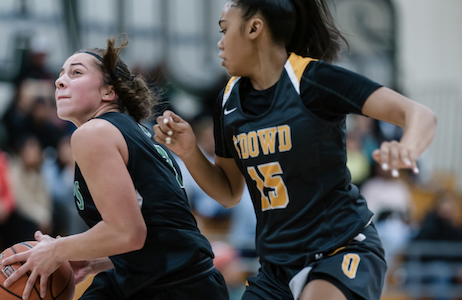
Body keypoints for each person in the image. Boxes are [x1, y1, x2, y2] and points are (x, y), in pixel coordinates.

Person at [153, 1, 437, 299]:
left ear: (254, 29)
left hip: (339, 248)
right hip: (276, 267)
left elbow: (419, 114)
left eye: (225, 30)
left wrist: (407, 148)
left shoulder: (313, 80)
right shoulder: (228, 100)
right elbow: (229, 192)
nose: (220, 43)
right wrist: (189, 152)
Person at [1, 37, 229, 300]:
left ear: (109, 92)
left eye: (76, 72)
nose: (59, 81)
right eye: (61, 74)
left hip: (173, 286)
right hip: (174, 279)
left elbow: (129, 232)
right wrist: (98, 260)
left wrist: (56, 250)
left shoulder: (94, 133)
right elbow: (159, 229)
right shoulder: (140, 135)